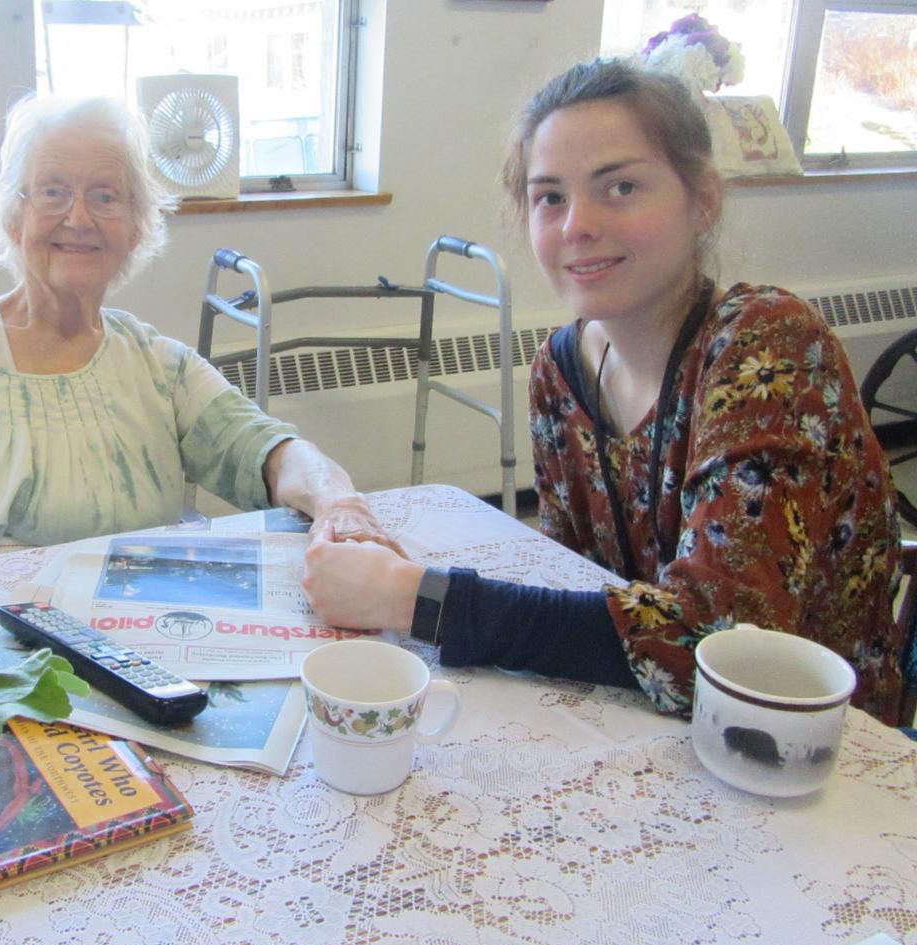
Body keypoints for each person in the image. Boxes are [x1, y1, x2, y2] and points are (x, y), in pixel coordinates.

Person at [302, 59, 903, 724]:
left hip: (814, 742)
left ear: (703, 198)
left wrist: (418, 598)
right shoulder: (560, 372)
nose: (576, 226)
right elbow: (576, 588)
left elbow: (724, 649)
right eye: (550, 197)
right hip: (655, 722)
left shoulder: (766, 343)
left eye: (620, 187)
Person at [0, 94, 394, 582]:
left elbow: (268, 451)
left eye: (105, 196)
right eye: (52, 191)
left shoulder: (156, 364)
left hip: (124, 649)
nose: (78, 218)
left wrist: (337, 500)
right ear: (13, 218)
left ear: (136, 228)